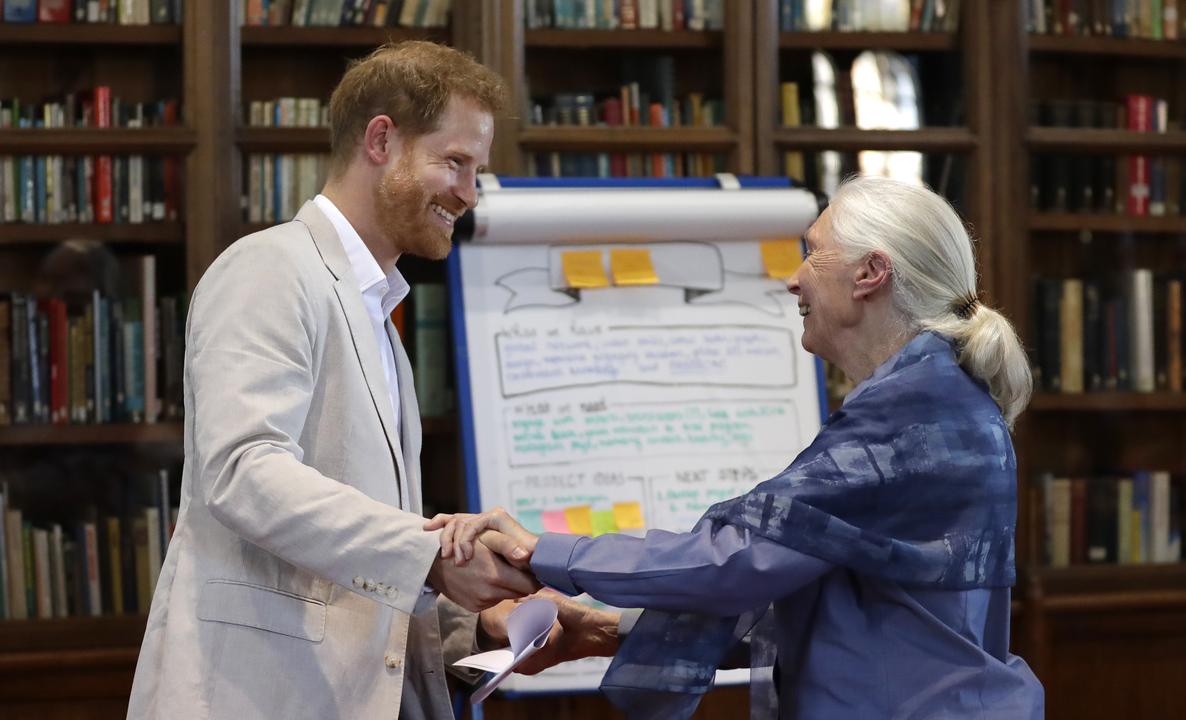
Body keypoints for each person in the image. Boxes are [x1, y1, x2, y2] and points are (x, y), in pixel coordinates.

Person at [430, 175, 1047, 719]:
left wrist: (540, 550)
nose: (792, 279)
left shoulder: (915, 408)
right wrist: (604, 627)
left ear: (871, 274)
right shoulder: (937, 396)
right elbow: (829, 613)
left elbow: (736, 560)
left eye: (812, 254)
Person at [126, 41, 543, 720]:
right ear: (382, 139)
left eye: (477, 170)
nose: (469, 194)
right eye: (455, 162)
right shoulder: (270, 268)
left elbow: (354, 566)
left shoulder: (376, 308)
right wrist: (430, 551)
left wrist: (478, 630)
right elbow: (242, 469)